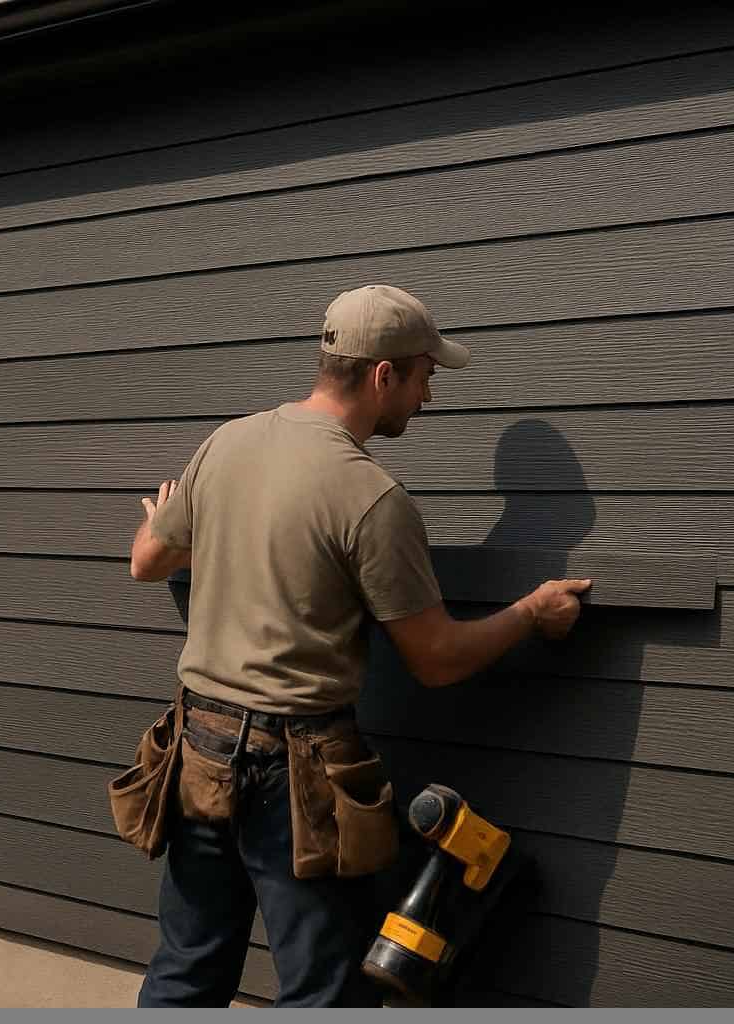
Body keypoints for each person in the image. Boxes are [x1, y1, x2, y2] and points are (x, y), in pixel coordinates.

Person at [128, 283, 591, 1007]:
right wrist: (532, 613)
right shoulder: (372, 499)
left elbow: (146, 560)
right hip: (295, 775)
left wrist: (189, 525)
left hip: (199, 752)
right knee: (324, 993)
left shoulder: (228, 443)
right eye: (425, 376)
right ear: (384, 375)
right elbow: (435, 660)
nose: (428, 398)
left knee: (187, 971)